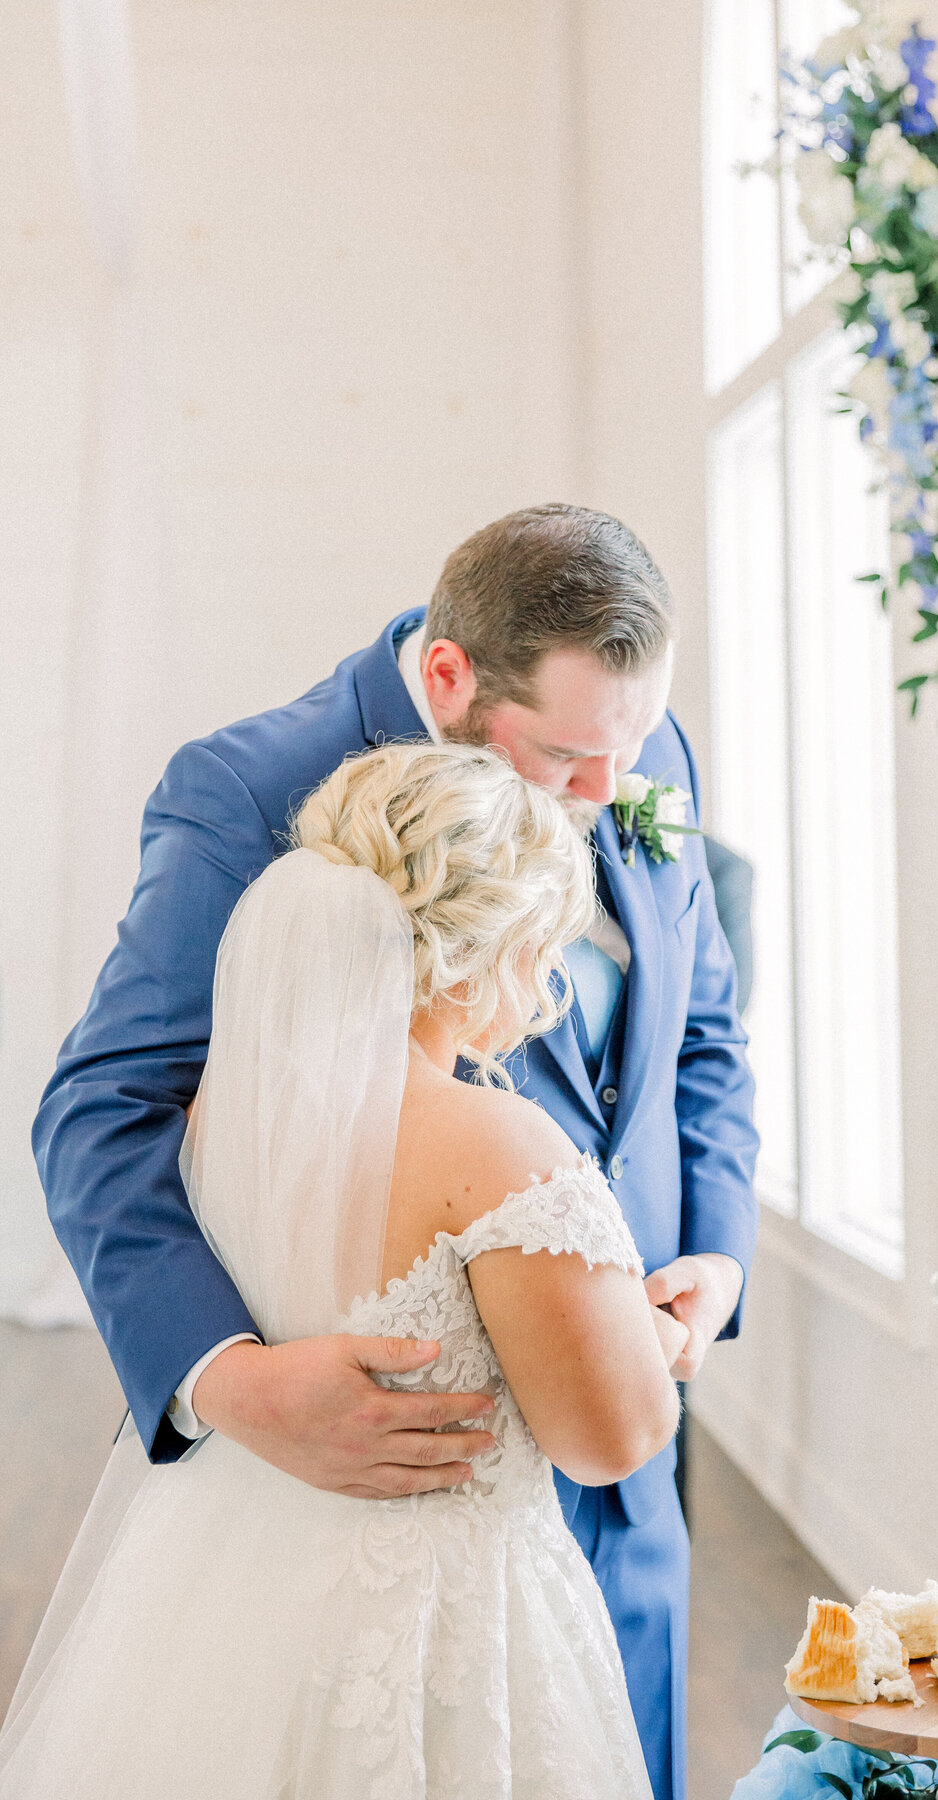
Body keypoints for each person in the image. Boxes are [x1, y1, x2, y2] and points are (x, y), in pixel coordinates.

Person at [32, 503, 759, 1799]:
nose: (604, 798)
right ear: (447, 678)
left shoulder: (640, 750)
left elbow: (702, 1038)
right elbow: (103, 1109)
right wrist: (231, 1381)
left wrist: (718, 1254)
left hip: (624, 1452)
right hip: (372, 1469)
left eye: (630, 750)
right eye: (567, 756)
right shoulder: (253, 790)